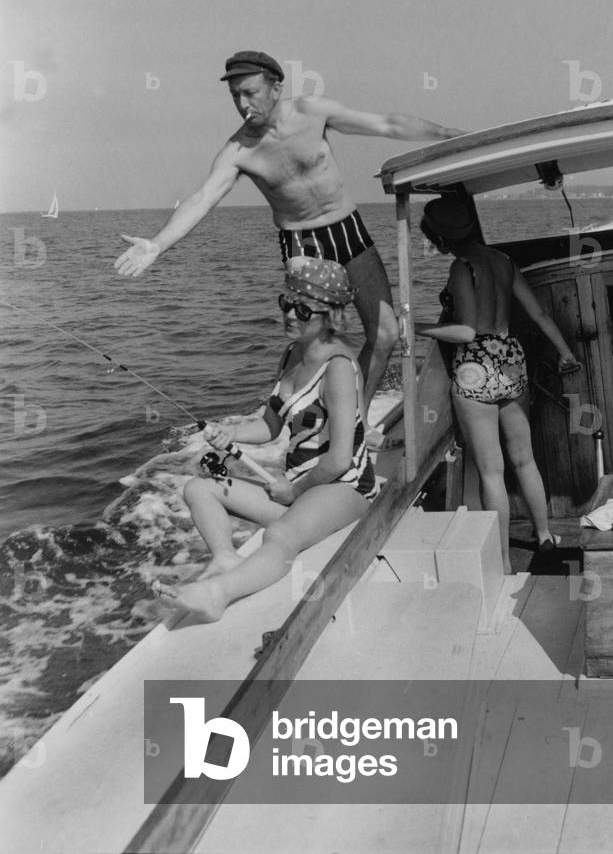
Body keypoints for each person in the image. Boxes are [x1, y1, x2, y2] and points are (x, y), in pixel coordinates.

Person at [114, 49, 464, 405]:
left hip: (347, 228)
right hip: (302, 242)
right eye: (235, 95)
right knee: (314, 341)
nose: (241, 103)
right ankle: (286, 416)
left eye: (249, 92)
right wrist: (156, 245)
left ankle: (353, 416)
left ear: (276, 88)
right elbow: (201, 199)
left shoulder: (313, 112)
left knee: (387, 332)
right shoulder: (239, 150)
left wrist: (449, 135)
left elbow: (387, 124)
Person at [153, 256, 379, 621]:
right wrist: (230, 434)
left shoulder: (337, 368)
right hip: (299, 489)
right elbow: (271, 426)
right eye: (286, 304)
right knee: (199, 489)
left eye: (303, 310)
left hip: (344, 489)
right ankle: (225, 557)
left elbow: (339, 460)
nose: (290, 314)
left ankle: (217, 594)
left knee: (280, 538)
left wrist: (294, 490)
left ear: (331, 317)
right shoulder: (291, 354)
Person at [415, 197, 580, 574]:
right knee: (525, 460)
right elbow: (537, 312)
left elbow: (466, 330)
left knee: (492, 471)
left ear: (441, 237)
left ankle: (503, 563)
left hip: (476, 368)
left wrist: (416, 327)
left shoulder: (461, 267)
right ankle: (545, 538)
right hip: (511, 362)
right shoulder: (503, 261)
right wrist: (565, 352)